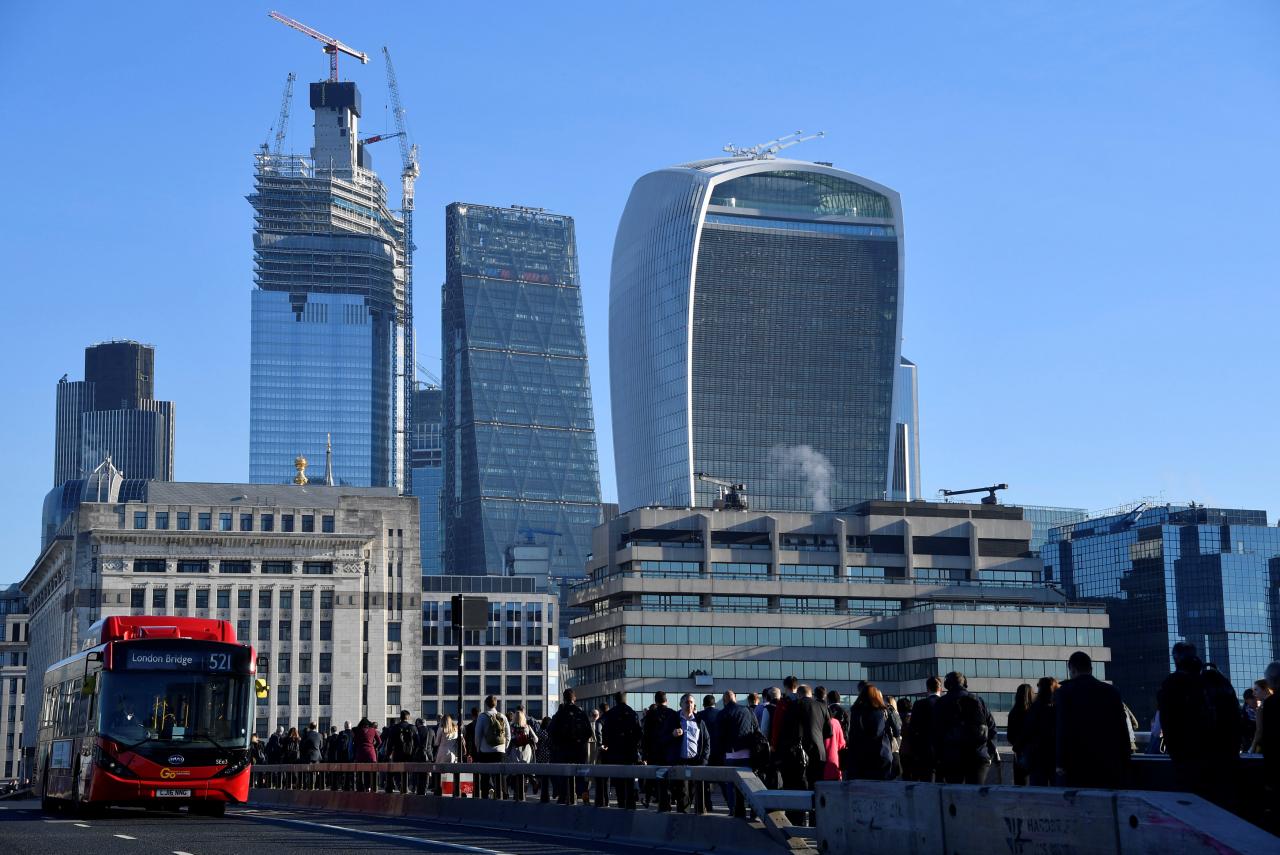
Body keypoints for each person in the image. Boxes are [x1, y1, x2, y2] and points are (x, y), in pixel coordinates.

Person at [1157, 642, 1240, 808]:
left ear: (1176, 658)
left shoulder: (1172, 684)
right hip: (1225, 760)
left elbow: (1169, 724)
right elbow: (1236, 718)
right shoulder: (1218, 679)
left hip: (1190, 761)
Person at [1055, 651, 1129, 789]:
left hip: (1076, 762)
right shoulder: (1111, 691)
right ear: (1091, 669)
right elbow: (1121, 729)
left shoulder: (1064, 692)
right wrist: (1125, 758)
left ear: (1072, 669)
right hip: (1108, 760)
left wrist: (1060, 762)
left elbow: (1062, 728)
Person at [777, 684, 831, 825]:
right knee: (816, 788)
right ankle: (816, 822)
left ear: (799, 694)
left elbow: (785, 731)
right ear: (811, 694)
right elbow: (828, 732)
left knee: (797, 788)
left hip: (798, 754)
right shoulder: (822, 706)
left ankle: (797, 824)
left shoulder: (793, 706)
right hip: (819, 753)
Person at [931, 672, 996, 785]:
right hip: (978, 756)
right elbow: (991, 728)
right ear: (964, 683)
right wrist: (989, 753)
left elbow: (935, 733)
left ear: (947, 684)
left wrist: (939, 758)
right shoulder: (978, 700)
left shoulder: (941, 703)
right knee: (976, 795)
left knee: (955, 797)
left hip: (952, 757)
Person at [714, 689, 760, 817]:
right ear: (735, 698)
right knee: (749, 784)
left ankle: (736, 810)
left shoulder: (722, 714)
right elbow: (757, 730)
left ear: (724, 700)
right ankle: (754, 812)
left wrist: (719, 754)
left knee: (732, 785)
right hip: (747, 753)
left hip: (730, 755)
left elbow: (719, 737)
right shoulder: (748, 710)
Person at [599, 691, 643, 809]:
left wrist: (608, 744)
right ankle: (630, 803)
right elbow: (639, 733)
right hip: (630, 752)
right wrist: (634, 745)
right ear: (626, 699)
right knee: (630, 780)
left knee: (619, 782)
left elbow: (605, 733)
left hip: (615, 752)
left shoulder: (611, 714)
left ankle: (621, 804)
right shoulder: (632, 713)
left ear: (615, 700)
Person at [550, 688, 594, 804]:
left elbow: (551, 730)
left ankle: (564, 796)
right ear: (574, 698)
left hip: (564, 750)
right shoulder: (581, 713)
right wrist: (580, 741)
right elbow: (589, 732)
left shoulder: (560, 713)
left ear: (564, 698)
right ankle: (584, 797)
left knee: (564, 775)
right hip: (579, 750)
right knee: (581, 774)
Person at [846, 684, 896, 780]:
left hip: (858, 757)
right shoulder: (881, 712)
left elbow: (852, 734)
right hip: (879, 755)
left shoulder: (855, 712)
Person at [670, 693, 709, 813]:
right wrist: (672, 734)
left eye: (691, 702)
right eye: (686, 702)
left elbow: (706, 741)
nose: (689, 705)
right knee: (683, 792)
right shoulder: (674, 720)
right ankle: (683, 816)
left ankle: (698, 816)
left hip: (696, 761)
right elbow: (663, 738)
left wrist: (704, 760)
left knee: (694, 790)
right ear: (681, 704)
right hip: (681, 761)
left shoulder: (699, 721)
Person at [642, 692, 680, 809]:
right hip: (669, 752)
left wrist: (645, 755)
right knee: (669, 778)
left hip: (654, 752)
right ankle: (669, 800)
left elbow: (646, 736)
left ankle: (656, 800)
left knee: (656, 777)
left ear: (656, 701)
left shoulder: (650, 715)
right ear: (666, 700)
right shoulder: (673, 714)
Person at [905, 676, 943, 781]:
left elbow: (913, 728)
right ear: (940, 689)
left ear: (928, 689)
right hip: (944, 749)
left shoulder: (919, 704)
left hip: (924, 749)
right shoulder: (945, 703)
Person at [1024, 677, 1058, 785]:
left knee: (1037, 789)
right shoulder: (1057, 708)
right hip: (1054, 756)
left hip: (1037, 756)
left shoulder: (1035, 708)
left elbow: (1028, 731)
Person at [475, 696, 509, 799]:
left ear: (486, 704)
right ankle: (502, 795)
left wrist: (478, 748)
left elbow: (477, 735)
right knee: (501, 775)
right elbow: (508, 735)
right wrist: (504, 748)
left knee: (485, 776)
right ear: (496, 704)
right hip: (500, 751)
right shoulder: (503, 717)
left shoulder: (482, 716)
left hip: (485, 751)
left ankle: (486, 796)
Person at [505, 708, 538, 800]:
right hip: (527, 753)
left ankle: (514, 792)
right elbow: (536, 739)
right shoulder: (527, 727)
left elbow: (508, 740)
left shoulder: (511, 727)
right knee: (526, 772)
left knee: (514, 773)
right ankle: (531, 782)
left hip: (514, 753)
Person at [384, 709, 419, 794]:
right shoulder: (413, 728)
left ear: (400, 717)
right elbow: (418, 743)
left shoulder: (394, 728)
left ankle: (400, 786)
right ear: (408, 717)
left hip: (397, 754)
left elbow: (390, 743)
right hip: (409, 754)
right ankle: (407, 787)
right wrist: (414, 753)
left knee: (397, 772)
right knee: (408, 772)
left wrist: (387, 754)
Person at [1007, 683, 1034, 786]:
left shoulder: (1013, 713)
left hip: (1020, 753)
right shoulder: (1034, 712)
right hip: (1035, 752)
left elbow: (1010, 737)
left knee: (1020, 784)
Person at [1249, 678, 1274, 754]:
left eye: (1256, 690)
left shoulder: (1261, 708)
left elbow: (1259, 731)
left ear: (1265, 689)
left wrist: (1252, 748)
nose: (1253, 693)